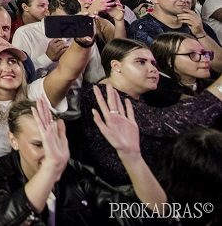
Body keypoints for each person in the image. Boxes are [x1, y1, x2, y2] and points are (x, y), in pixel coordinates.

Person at [0, 90, 167, 225]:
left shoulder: (75, 173)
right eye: (38, 144)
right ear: (14, 141)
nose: (51, 152)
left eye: (55, 141)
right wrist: (50, 169)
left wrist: (131, 156)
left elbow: (149, 216)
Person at [0, 36, 91, 202]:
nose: (7, 67)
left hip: (40, 182)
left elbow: (66, 73)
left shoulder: (34, 93)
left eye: (12, 61)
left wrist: (83, 41)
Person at [77, 37, 222, 185]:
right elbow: (170, 122)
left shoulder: (145, 92)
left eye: (153, 63)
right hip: (128, 196)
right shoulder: (99, 95)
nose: (153, 69)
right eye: (141, 62)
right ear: (116, 65)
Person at [128, 0, 222, 72]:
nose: (183, 0)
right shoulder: (142, 29)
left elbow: (219, 65)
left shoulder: (198, 25)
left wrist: (201, 34)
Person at [146, 31, 215, 106]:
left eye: (203, 53)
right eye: (192, 54)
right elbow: (200, 109)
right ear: (168, 60)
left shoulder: (210, 84)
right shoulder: (158, 93)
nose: (205, 59)